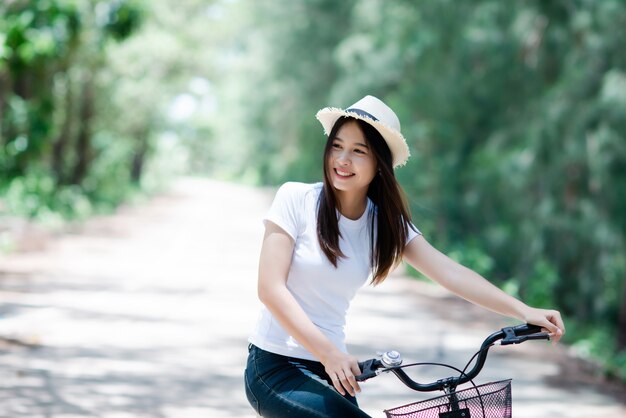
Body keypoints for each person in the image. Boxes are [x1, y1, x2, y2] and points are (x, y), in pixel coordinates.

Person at [244, 95, 565, 417]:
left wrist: (523, 310)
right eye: (337, 146)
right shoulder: (296, 198)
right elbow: (270, 288)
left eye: (358, 151)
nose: (342, 159)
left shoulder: (384, 222)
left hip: (335, 370)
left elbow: (451, 273)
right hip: (276, 365)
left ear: (379, 164)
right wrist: (328, 354)